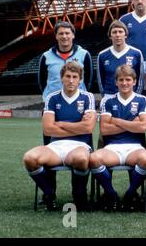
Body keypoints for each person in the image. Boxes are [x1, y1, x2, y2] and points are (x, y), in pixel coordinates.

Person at [23, 62, 96, 211]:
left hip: (80, 146)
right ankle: (49, 194)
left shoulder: (88, 97)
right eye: (67, 76)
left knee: (82, 158)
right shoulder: (52, 98)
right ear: (61, 78)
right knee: (29, 158)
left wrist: (61, 123)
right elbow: (48, 130)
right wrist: (77, 126)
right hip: (55, 147)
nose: (71, 80)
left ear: (80, 80)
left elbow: (88, 128)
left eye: (75, 77)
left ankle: (79, 195)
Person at [38, 21, 93, 199]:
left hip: (79, 107)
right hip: (53, 107)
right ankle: (50, 192)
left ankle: (79, 191)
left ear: (73, 35)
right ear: (56, 36)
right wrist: (50, 99)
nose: (64, 36)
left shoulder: (84, 54)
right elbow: (42, 81)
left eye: (67, 33)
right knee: (50, 149)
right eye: (61, 33)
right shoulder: (46, 56)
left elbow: (88, 80)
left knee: (81, 151)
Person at [90, 64, 146, 211]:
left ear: (135, 81)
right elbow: (104, 130)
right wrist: (131, 123)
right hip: (112, 148)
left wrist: (115, 121)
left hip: (135, 147)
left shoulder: (142, 100)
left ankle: (130, 194)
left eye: (128, 80)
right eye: (121, 80)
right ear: (116, 82)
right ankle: (111, 194)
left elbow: (142, 127)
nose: (124, 83)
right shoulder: (108, 101)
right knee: (93, 159)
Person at [97, 20, 144, 96]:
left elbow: (140, 79)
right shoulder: (102, 55)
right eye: (114, 32)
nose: (117, 35)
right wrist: (105, 95)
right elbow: (100, 80)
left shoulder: (136, 53)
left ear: (125, 35)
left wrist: (136, 95)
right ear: (110, 36)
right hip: (110, 96)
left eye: (120, 32)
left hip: (131, 96)